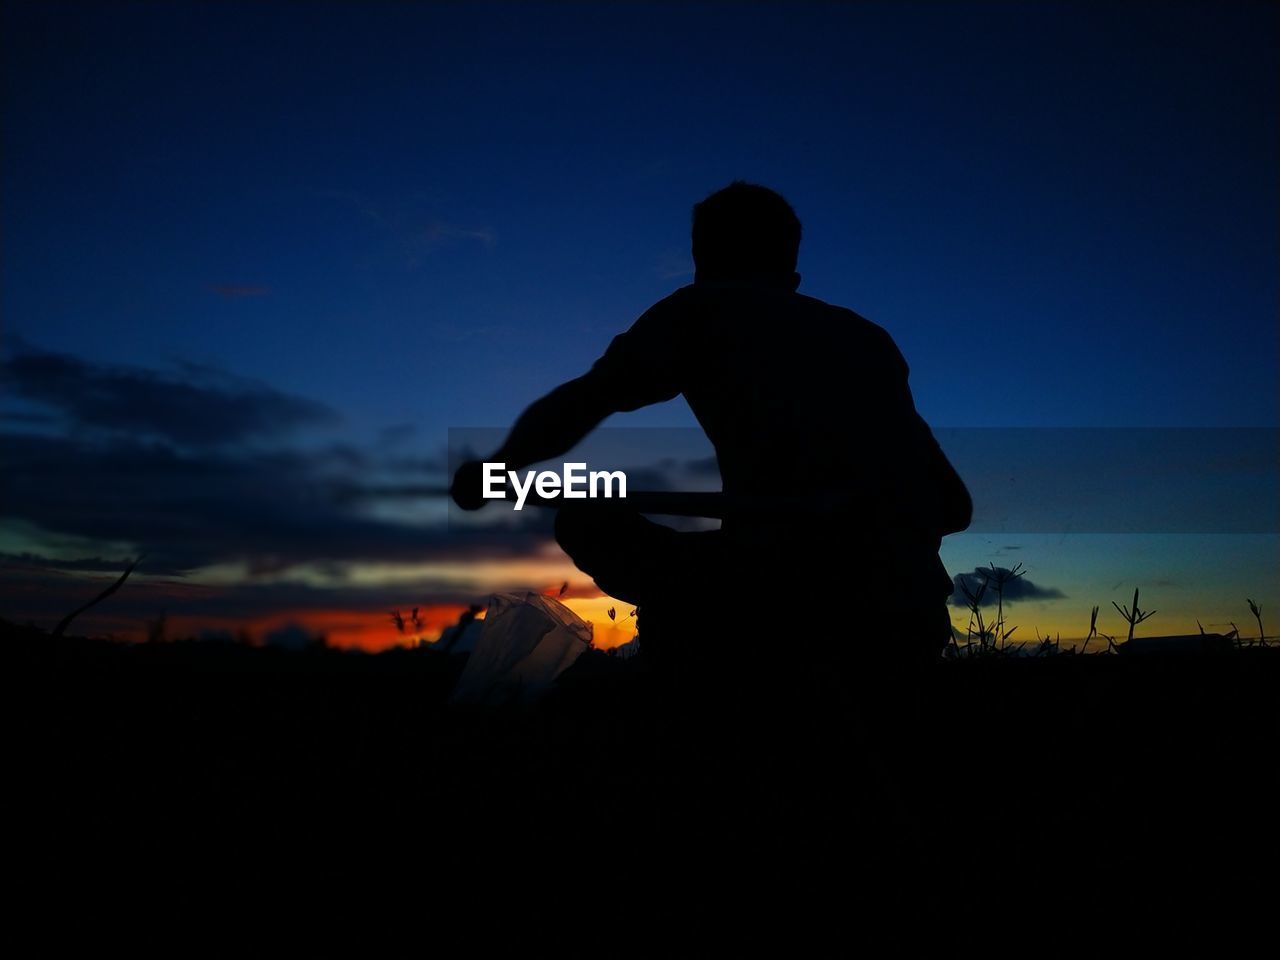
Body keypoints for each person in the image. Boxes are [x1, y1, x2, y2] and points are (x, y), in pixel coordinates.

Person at [451, 181, 971, 678]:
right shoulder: (867, 339)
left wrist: (499, 468)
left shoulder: (700, 310)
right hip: (910, 610)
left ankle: (703, 644)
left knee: (586, 521)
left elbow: (585, 402)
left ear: (704, 255)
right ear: (791, 261)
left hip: (782, 602)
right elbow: (954, 505)